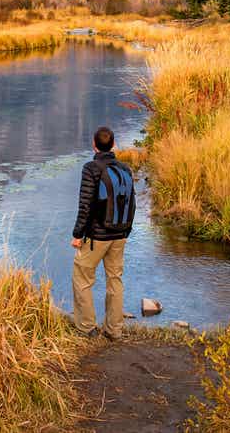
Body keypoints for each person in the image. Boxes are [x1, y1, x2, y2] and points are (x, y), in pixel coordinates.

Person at [70, 126, 136, 339]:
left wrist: (77, 234)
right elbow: (132, 203)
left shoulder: (91, 168)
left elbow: (85, 205)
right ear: (114, 144)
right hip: (120, 234)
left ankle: (86, 327)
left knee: (82, 277)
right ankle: (114, 330)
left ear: (94, 145)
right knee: (115, 279)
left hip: (97, 237)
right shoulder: (125, 168)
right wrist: (126, 231)